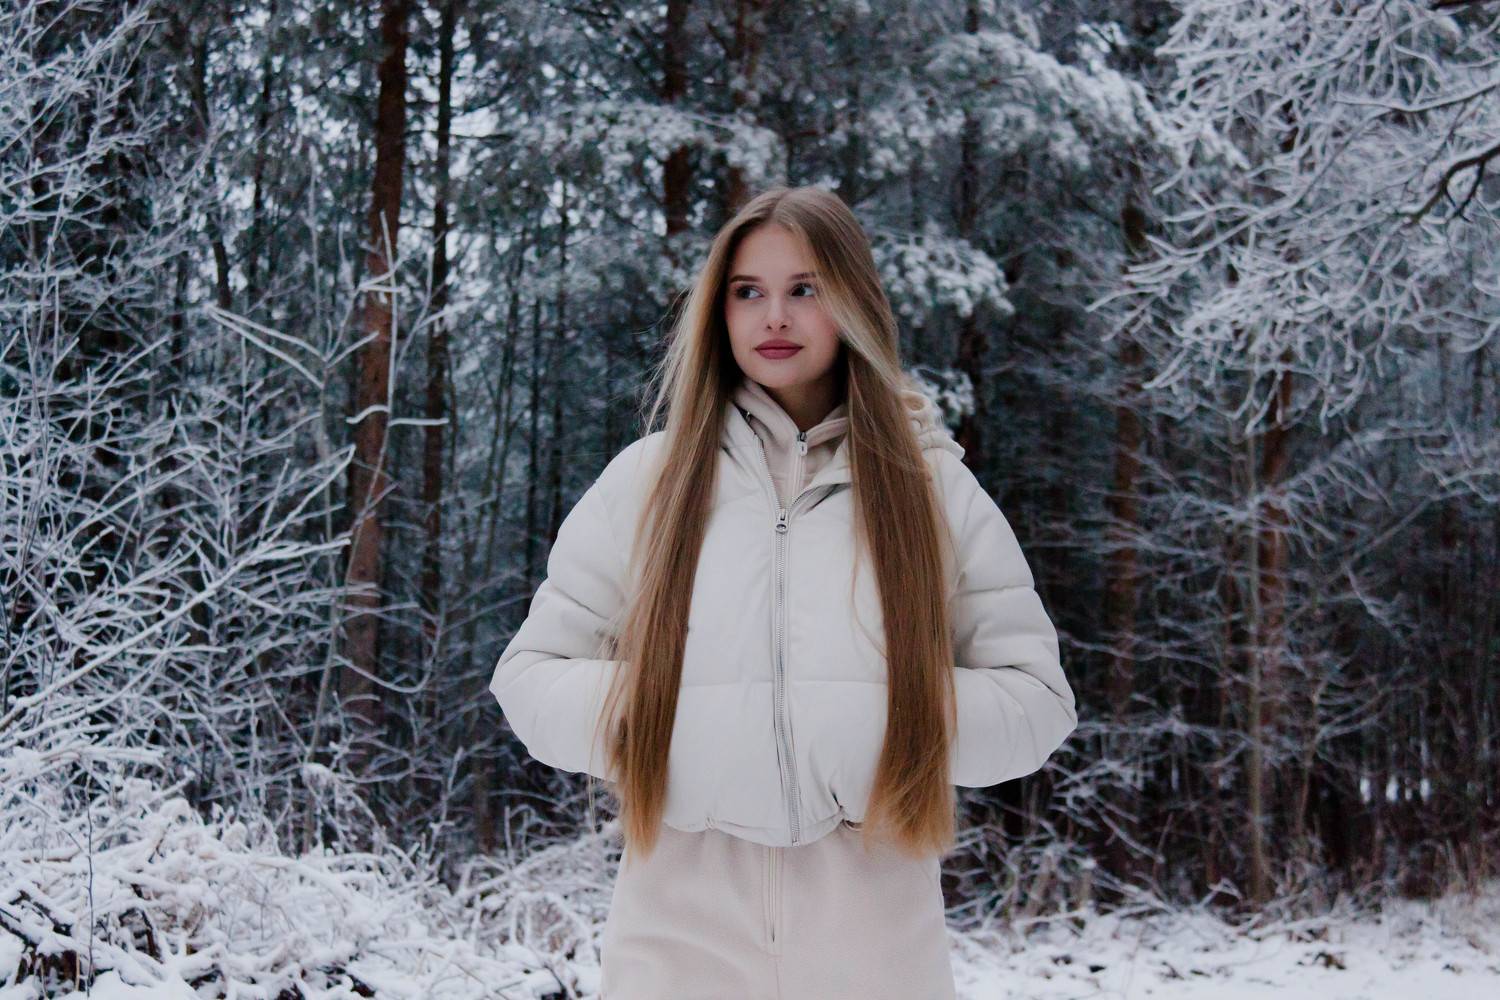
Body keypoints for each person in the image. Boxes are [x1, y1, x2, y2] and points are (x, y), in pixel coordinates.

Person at [489, 185, 1079, 999]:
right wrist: (664, 719)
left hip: (876, 945)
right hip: (677, 937)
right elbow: (529, 677)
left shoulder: (930, 489)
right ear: (718, 311)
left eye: (805, 289)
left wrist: (883, 724)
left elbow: (1036, 701)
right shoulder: (649, 482)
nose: (774, 317)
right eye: (748, 292)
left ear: (854, 302)